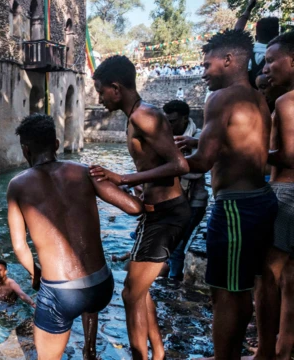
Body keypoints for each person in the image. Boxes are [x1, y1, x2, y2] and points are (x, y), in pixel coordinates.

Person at [174, 29, 277, 359]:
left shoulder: (220, 98)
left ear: (229, 60)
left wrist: (155, 164)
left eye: (206, 65)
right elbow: (237, 141)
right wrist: (195, 142)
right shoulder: (257, 97)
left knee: (224, 294)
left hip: (235, 207)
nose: (202, 72)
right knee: (241, 288)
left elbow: (203, 163)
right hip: (260, 199)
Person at [7, 114, 145, 359]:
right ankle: (89, 350)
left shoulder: (18, 185)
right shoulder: (84, 171)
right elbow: (134, 208)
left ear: (25, 150)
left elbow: (19, 247)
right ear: (57, 144)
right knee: (87, 296)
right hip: (101, 285)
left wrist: (36, 276)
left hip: (62, 293)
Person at [90, 55, 191, 360]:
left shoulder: (143, 116)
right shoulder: (136, 115)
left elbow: (180, 165)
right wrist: (138, 185)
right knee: (141, 292)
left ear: (116, 88)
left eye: (100, 91)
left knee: (130, 294)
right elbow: (158, 162)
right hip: (154, 215)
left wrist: (124, 177)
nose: (99, 98)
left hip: (167, 214)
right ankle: (157, 354)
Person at [254, 30, 294, 360]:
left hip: (284, 193)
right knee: (291, 278)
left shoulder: (286, 101)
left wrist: (249, 150)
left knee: (268, 276)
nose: (266, 68)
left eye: (270, 61)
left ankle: (265, 352)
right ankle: (283, 346)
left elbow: (290, 155)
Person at [164, 100, 209, 281]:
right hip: (173, 200)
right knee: (172, 243)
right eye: (167, 121)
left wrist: (171, 166)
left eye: (173, 121)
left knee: (177, 244)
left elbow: (197, 172)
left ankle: (174, 280)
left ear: (185, 119)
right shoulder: (166, 137)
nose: (169, 125)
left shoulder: (199, 138)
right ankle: (172, 277)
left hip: (193, 202)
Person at [235, 0, 280, 88]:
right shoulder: (283, 54)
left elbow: (236, 34)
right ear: (278, 36)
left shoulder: (245, 53)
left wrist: (248, 8)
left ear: (256, 37)